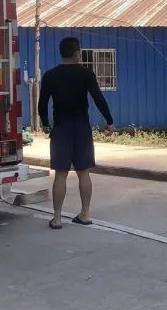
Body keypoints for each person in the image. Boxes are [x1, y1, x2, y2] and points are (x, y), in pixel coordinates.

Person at [38, 37, 115, 229]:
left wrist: (45, 124)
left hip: (61, 127)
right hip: (81, 127)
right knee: (83, 172)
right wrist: (109, 121)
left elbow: (42, 103)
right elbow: (98, 98)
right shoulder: (86, 74)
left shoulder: (50, 75)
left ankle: (57, 218)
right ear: (76, 53)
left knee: (60, 174)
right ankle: (85, 214)